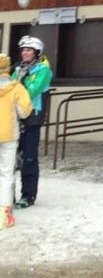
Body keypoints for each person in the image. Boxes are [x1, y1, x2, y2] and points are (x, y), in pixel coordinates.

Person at [11, 35, 53, 209]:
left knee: (28, 157)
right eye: (23, 50)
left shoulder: (43, 70)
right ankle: (7, 194)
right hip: (15, 117)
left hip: (32, 117)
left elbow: (32, 92)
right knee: (11, 158)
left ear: (36, 52)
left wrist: (20, 83)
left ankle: (28, 194)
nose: (25, 53)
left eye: (28, 50)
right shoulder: (18, 68)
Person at [0, 53, 32, 228]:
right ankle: (5, 213)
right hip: (9, 135)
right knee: (6, 174)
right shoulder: (16, 87)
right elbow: (25, 111)